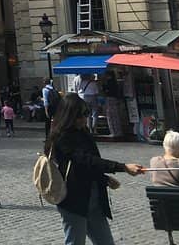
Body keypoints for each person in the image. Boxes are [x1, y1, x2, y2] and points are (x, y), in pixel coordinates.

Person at [46, 93, 143, 245]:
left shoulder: (83, 133)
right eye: (81, 115)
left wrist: (103, 179)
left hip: (94, 198)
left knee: (105, 242)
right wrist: (122, 167)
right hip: (73, 200)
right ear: (69, 116)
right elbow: (84, 160)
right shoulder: (62, 137)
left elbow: (89, 164)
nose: (85, 119)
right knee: (75, 242)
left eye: (86, 114)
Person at [102, 72, 125, 139]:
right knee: (116, 116)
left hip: (109, 99)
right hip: (115, 99)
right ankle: (118, 131)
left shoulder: (108, 83)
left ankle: (113, 132)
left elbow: (105, 90)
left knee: (110, 116)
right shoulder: (115, 83)